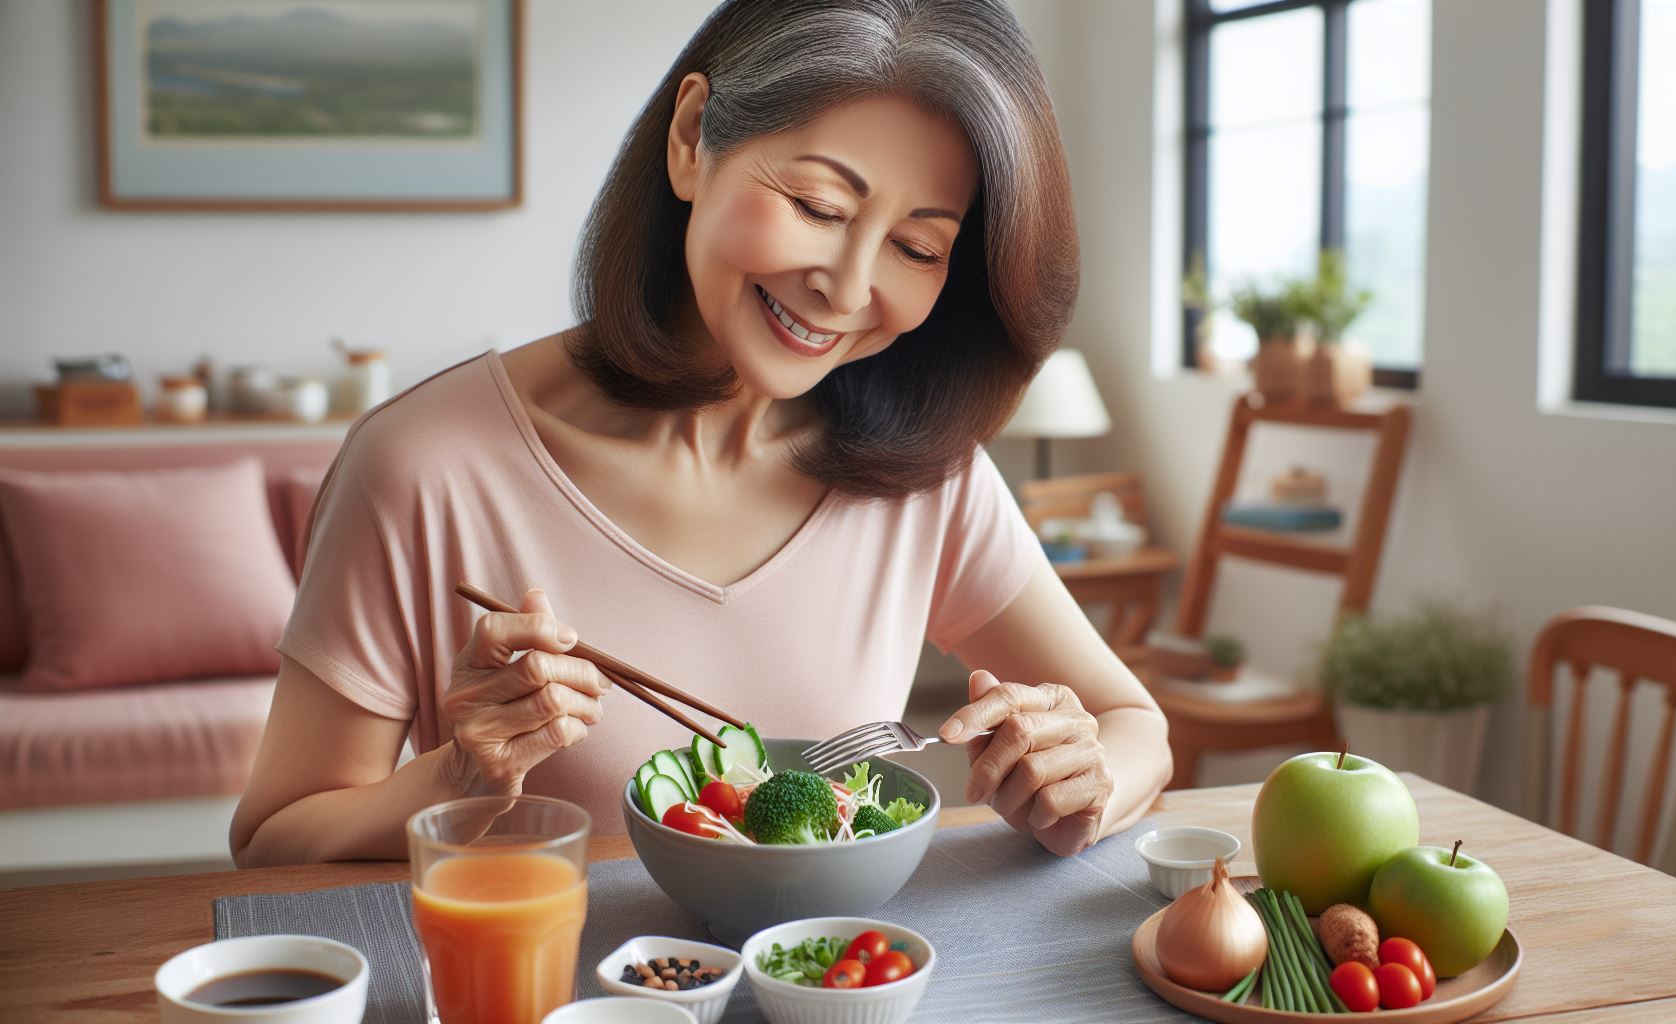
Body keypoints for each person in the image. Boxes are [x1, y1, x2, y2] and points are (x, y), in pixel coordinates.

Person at [230, 0, 1171, 867]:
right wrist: (457, 779)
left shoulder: (924, 472)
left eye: (918, 248)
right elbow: (273, 842)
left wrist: (1085, 784)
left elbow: (1134, 726)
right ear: (691, 140)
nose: (845, 288)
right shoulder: (423, 465)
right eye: (818, 206)